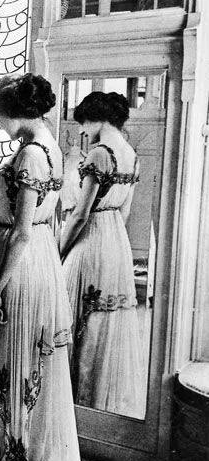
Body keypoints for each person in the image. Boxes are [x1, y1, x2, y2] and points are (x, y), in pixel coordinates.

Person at [0, 74, 88, 461]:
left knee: (17, 361)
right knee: (25, 362)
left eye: (1, 117)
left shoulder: (32, 155)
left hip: (20, 259)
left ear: (17, 113)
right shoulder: (49, 145)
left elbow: (20, 231)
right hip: (39, 255)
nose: (0, 125)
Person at [60, 92, 144, 418]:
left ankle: (74, 400)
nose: (83, 129)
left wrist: (59, 250)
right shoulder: (131, 155)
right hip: (116, 242)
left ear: (97, 118)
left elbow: (80, 215)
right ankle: (98, 402)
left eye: (84, 122)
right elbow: (125, 211)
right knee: (103, 319)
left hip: (92, 237)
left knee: (76, 314)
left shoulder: (100, 153)